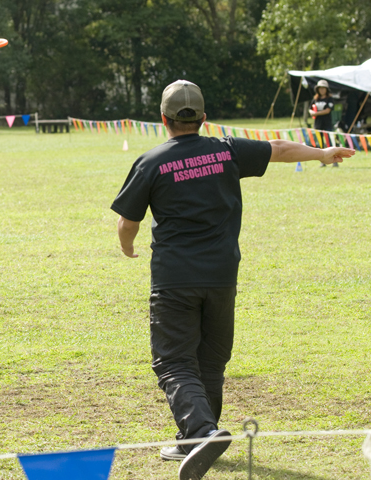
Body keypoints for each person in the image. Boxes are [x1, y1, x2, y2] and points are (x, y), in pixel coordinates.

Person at [111, 80, 354, 480]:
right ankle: (194, 440)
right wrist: (322, 153)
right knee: (211, 361)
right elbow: (279, 149)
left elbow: (127, 223)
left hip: (174, 279)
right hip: (222, 276)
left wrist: (126, 247)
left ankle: (202, 432)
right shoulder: (227, 150)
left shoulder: (151, 162)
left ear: (163, 119)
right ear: (204, 118)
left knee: (174, 362)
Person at [308, 80, 338, 167]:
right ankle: (323, 161)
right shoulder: (315, 99)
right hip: (318, 124)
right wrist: (311, 112)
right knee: (320, 143)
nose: (322, 90)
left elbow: (327, 110)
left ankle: (334, 161)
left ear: (326, 89)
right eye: (320, 88)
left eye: (323, 88)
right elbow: (310, 108)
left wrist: (316, 113)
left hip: (327, 124)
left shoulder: (330, 99)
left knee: (329, 142)